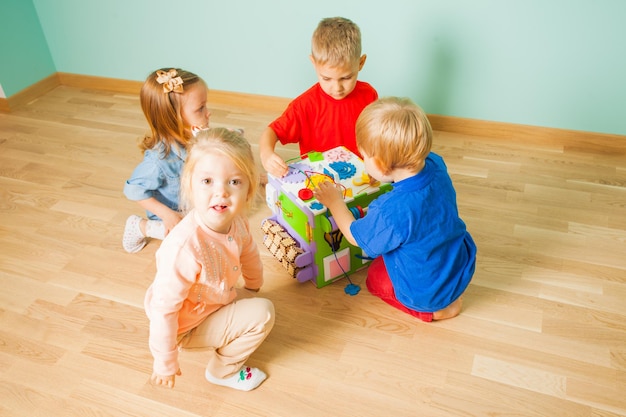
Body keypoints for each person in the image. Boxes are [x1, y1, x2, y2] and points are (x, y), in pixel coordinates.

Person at [313, 97, 477, 322]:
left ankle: (435, 310)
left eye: (364, 157)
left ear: (380, 165)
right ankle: (447, 294)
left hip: (427, 291)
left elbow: (353, 236)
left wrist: (335, 203)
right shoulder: (436, 163)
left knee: (374, 279)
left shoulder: (390, 211)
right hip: (459, 262)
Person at [145, 127, 275, 391]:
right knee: (264, 313)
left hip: (209, 301)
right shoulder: (184, 247)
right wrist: (165, 362)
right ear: (190, 186)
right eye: (207, 181)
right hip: (186, 326)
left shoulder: (236, 221)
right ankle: (222, 372)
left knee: (259, 303)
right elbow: (164, 310)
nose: (221, 192)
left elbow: (249, 253)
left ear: (250, 189)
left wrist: (253, 285)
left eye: (234, 182)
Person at [260, 16, 378, 178]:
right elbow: (272, 131)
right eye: (327, 78)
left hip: (361, 177)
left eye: (346, 78)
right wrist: (266, 154)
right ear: (313, 63)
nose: (337, 88)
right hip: (320, 179)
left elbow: (378, 135)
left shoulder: (369, 95)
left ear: (361, 63)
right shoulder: (304, 105)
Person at [123, 68, 211, 253]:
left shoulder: (193, 137)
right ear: (174, 120)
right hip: (171, 213)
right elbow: (133, 190)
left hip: (192, 203)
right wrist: (167, 215)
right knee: (189, 237)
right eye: (200, 108)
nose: (208, 113)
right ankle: (139, 226)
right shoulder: (158, 161)